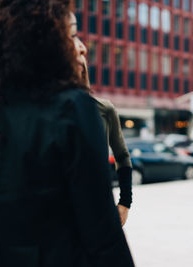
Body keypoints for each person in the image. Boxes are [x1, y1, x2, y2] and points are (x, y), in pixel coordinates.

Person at [0, 0, 134, 266]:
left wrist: (125, 201)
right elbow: (103, 234)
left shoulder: (1, 107)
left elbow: (123, 157)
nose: (81, 46)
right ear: (47, 41)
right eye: (72, 34)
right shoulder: (73, 108)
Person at [73, 15, 133, 225]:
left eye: (82, 70)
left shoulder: (103, 109)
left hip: (99, 207)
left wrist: (125, 202)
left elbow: (123, 157)